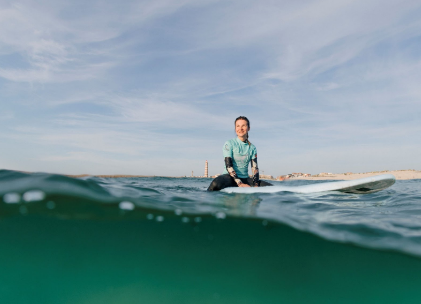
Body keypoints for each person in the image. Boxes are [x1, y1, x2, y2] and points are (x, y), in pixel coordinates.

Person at [207, 116, 272, 191]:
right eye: (238, 126)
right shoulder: (229, 143)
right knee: (215, 183)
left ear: (248, 128)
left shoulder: (252, 148)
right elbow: (228, 166)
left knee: (271, 188)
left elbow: (255, 168)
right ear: (235, 129)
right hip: (229, 177)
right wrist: (240, 183)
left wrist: (256, 185)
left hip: (245, 178)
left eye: (243, 126)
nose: (240, 129)